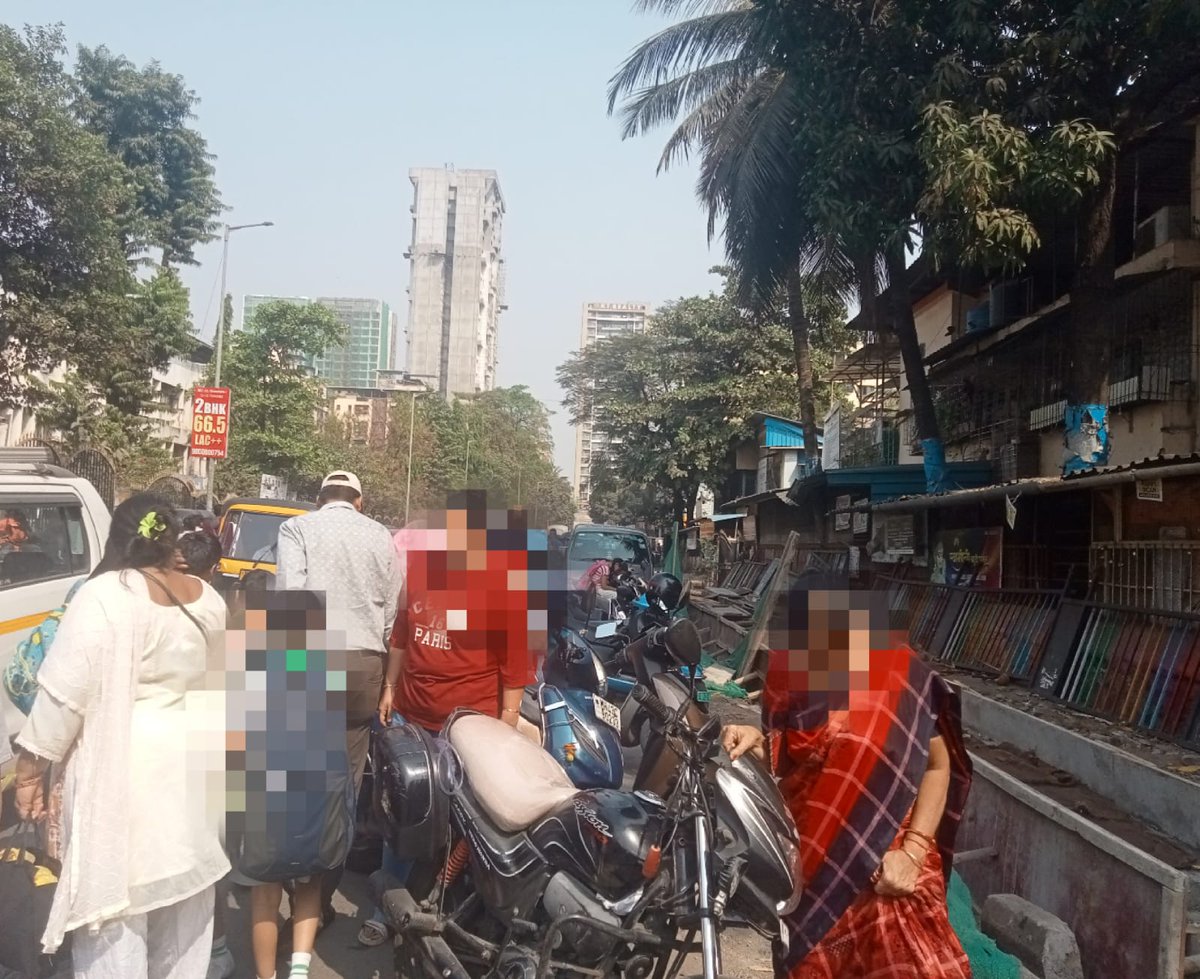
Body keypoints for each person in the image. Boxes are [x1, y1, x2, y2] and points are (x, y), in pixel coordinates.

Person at [13, 495, 229, 979]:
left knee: (115, 913)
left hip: (123, 775)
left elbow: (64, 696)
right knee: (185, 909)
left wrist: (29, 771)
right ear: (171, 539)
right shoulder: (209, 598)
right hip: (191, 772)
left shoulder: (106, 594)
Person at [722, 573, 973, 979]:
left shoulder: (898, 680)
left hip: (888, 871)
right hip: (816, 868)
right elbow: (797, 760)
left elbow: (937, 765)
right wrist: (757, 739)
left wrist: (910, 854)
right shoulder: (794, 677)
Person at [357, 493, 544, 947]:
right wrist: (388, 688)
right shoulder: (421, 571)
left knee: (466, 822)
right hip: (411, 714)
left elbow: (515, 668)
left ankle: (444, 906)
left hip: (469, 727)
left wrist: (506, 722)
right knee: (402, 814)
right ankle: (386, 906)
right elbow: (402, 632)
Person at [274, 470, 401, 925]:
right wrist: (388, 681)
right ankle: (319, 902)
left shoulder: (298, 528)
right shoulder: (381, 536)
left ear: (320, 498)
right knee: (343, 788)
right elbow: (391, 611)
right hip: (364, 666)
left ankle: (290, 883)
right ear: (360, 502)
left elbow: (291, 600)